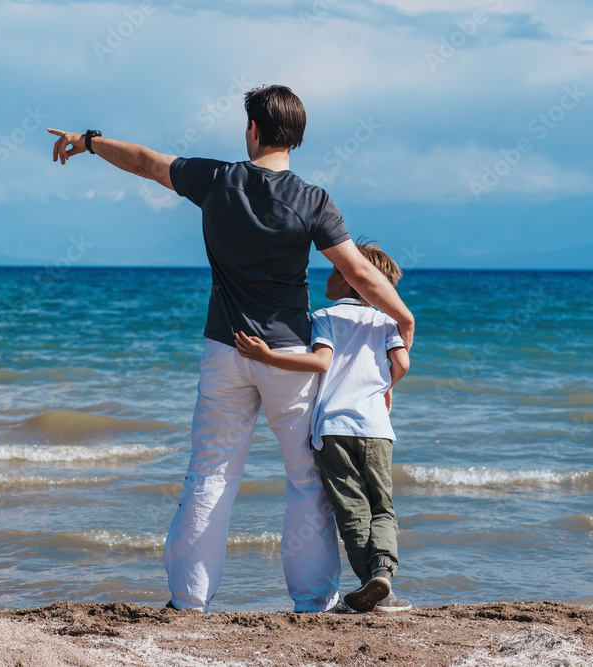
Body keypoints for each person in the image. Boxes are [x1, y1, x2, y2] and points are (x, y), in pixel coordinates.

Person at [48, 85, 414, 613]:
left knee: (211, 471)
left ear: (253, 130)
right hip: (289, 354)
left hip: (224, 349)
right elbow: (358, 271)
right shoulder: (312, 199)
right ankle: (313, 600)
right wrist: (401, 314)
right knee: (306, 477)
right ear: (298, 137)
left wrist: (88, 141)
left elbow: (148, 162)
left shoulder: (217, 179)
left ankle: (189, 597)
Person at [234, 240, 411, 613]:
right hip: (377, 429)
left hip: (334, 428)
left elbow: (320, 363)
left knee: (352, 511)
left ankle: (371, 583)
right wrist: (386, 387)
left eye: (334, 271)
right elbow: (403, 363)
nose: (328, 276)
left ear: (350, 280)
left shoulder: (325, 317)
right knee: (382, 507)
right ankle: (384, 575)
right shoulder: (386, 321)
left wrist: (266, 355)